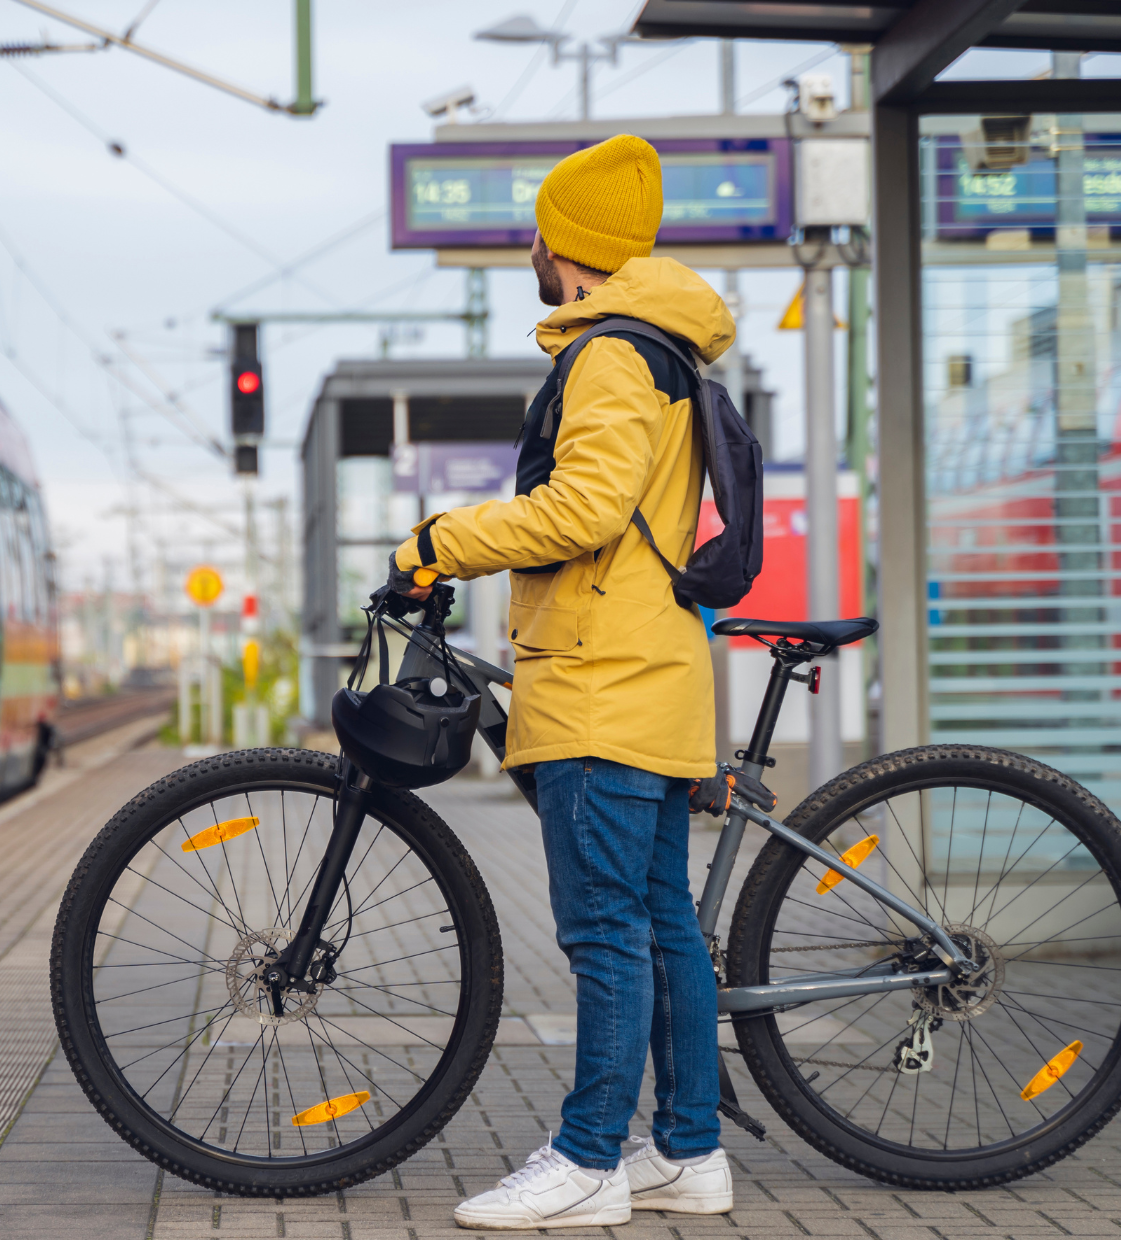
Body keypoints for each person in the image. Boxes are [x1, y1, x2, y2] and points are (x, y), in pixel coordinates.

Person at [386, 134, 737, 1230]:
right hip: (648, 667)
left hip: (600, 678)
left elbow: (581, 510)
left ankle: (587, 1160)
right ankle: (688, 1152)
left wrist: (439, 540)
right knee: (657, 921)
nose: (528, 250)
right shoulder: (662, 350)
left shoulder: (606, 356)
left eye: (537, 233)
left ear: (564, 247)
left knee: (603, 932)